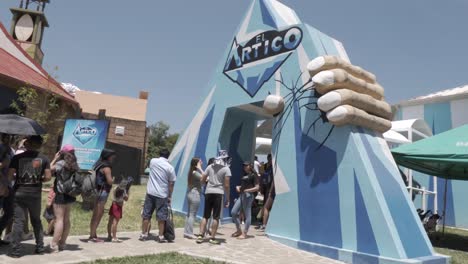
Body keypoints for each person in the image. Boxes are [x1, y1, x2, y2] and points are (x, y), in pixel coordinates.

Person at [7, 136, 52, 258]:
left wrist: (18, 178)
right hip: (35, 194)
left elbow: (10, 176)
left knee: (18, 222)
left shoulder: (17, 157)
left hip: (19, 193)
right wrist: (39, 178)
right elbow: (48, 177)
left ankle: (15, 251)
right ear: (39, 145)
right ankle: (40, 247)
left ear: (27, 144)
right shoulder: (44, 159)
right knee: (36, 220)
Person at [140, 149, 176, 243]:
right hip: (162, 194)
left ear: (159, 154)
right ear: (168, 156)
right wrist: (169, 196)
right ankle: (160, 236)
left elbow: (148, 167)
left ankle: (144, 234)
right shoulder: (170, 167)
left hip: (150, 192)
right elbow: (171, 183)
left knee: (146, 215)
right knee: (161, 217)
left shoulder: (153, 161)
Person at [196, 150, 231, 245]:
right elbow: (227, 185)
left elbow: (203, 178)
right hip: (218, 193)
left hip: (208, 192)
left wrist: (204, 185)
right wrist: (228, 198)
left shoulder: (210, 166)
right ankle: (212, 237)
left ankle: (200, 235)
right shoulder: (226, 169)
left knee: (205, 216)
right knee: (216, 217)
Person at [49, 145, 79, 252]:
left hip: (61, 194)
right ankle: (62, 243)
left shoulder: (61, 163)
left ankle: (54, 245)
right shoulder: (75, 164)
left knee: (59, 220)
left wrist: (55, 158)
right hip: (71, 194)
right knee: (66, 219)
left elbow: (48, 169)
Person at [89, 149, 116, 243]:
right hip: (103, 192)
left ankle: (92, 234)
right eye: (112, 156)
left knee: (95, 213)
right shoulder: (107, 167)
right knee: (99, 214)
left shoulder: (98, 165)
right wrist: (113, 180)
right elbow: (109, 181)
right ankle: (93, 237)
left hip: (96, 190)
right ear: (108, 156)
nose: (113, 157)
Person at [231, 162, 259, 239]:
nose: (245, 167)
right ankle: (239, 230)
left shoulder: (254, 175)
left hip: (248, 196)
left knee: (247, 214)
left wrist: (247, 190)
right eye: (244, 165)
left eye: (246, 165)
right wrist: (238, 187)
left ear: (250, 166)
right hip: (242, 195)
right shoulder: (244, 175)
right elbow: (244, 186)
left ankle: (245, 233)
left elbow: (257, 187)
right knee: (233, 212)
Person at [0, 134, 14, 245]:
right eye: (6, 137)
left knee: (9, 212)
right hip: (2, 186)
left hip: (8, 185)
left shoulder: (10, 150)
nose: (9, 139)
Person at [183, 158, 203, 239]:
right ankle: (190, 233)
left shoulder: (191, 172)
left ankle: (186, 232)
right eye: (200, 161)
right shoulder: (196, 173)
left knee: (189, 214)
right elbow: (206, 178)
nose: (201, 162)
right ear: (196, 164)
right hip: (195, 194)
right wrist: (200, 168)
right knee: (192, 215)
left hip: (190, 193)